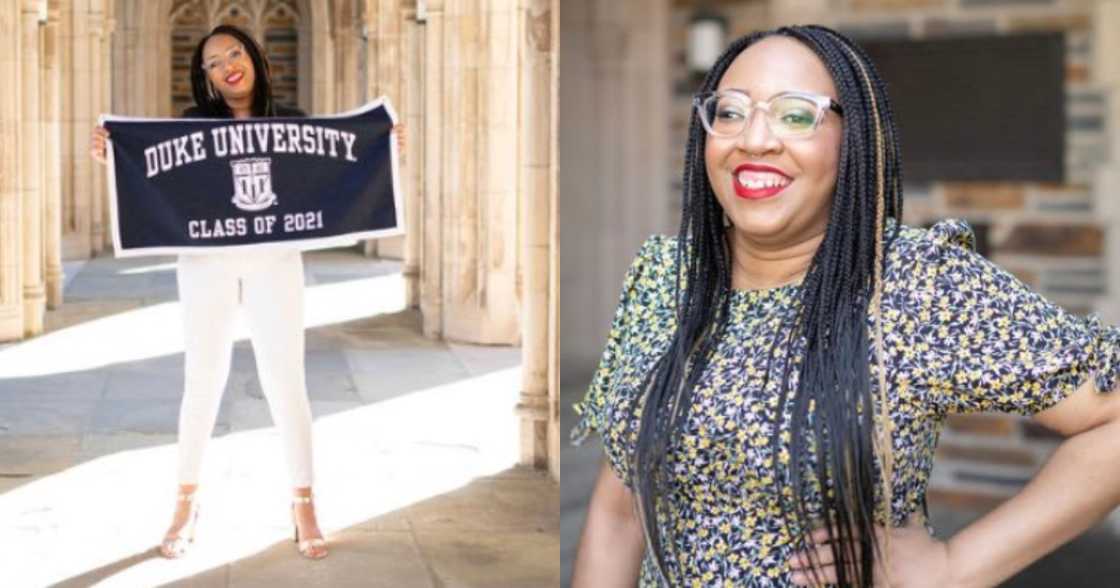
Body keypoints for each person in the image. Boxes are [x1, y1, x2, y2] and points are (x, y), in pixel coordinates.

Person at [570, 24, 1120, 587]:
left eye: (794, 113)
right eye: (731, 112)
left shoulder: (912, 282)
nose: (754, 139)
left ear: (851, 136)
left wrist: (954, 568)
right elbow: (618, 514)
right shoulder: (666, 275)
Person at [90, 24, 401, 560]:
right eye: (214, 61)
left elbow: (337, 170)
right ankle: (185, 504)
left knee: (286, 378)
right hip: (206, 262)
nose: (228, 64)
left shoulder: (295, 125)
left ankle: (303, 502)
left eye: (235, 52)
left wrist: (380, 148)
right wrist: (109, 156)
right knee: (202, 379)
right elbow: (150, 172)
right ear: (206, 77)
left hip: (274, 262)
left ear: (254, 57)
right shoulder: (191, 128)